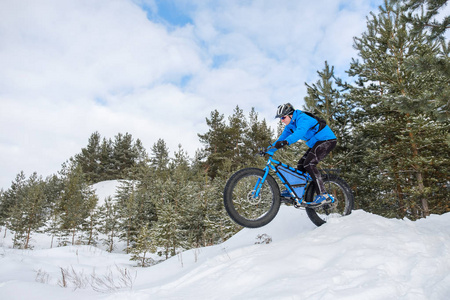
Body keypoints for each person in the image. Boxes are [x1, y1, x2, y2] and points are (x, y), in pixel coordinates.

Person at [271, 103, 337, 207]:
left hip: (327, 140)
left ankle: (323, 195)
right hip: (317, 142)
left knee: (309, 164)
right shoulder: (290, 126)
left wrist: (286, 142)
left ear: (290, 115)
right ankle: (296, 190)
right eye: (280, 119)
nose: (282, 120)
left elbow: (299, 133)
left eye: (283, 117)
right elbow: (281, 138)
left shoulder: (302, 118)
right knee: (301, 165)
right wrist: (269, 149)